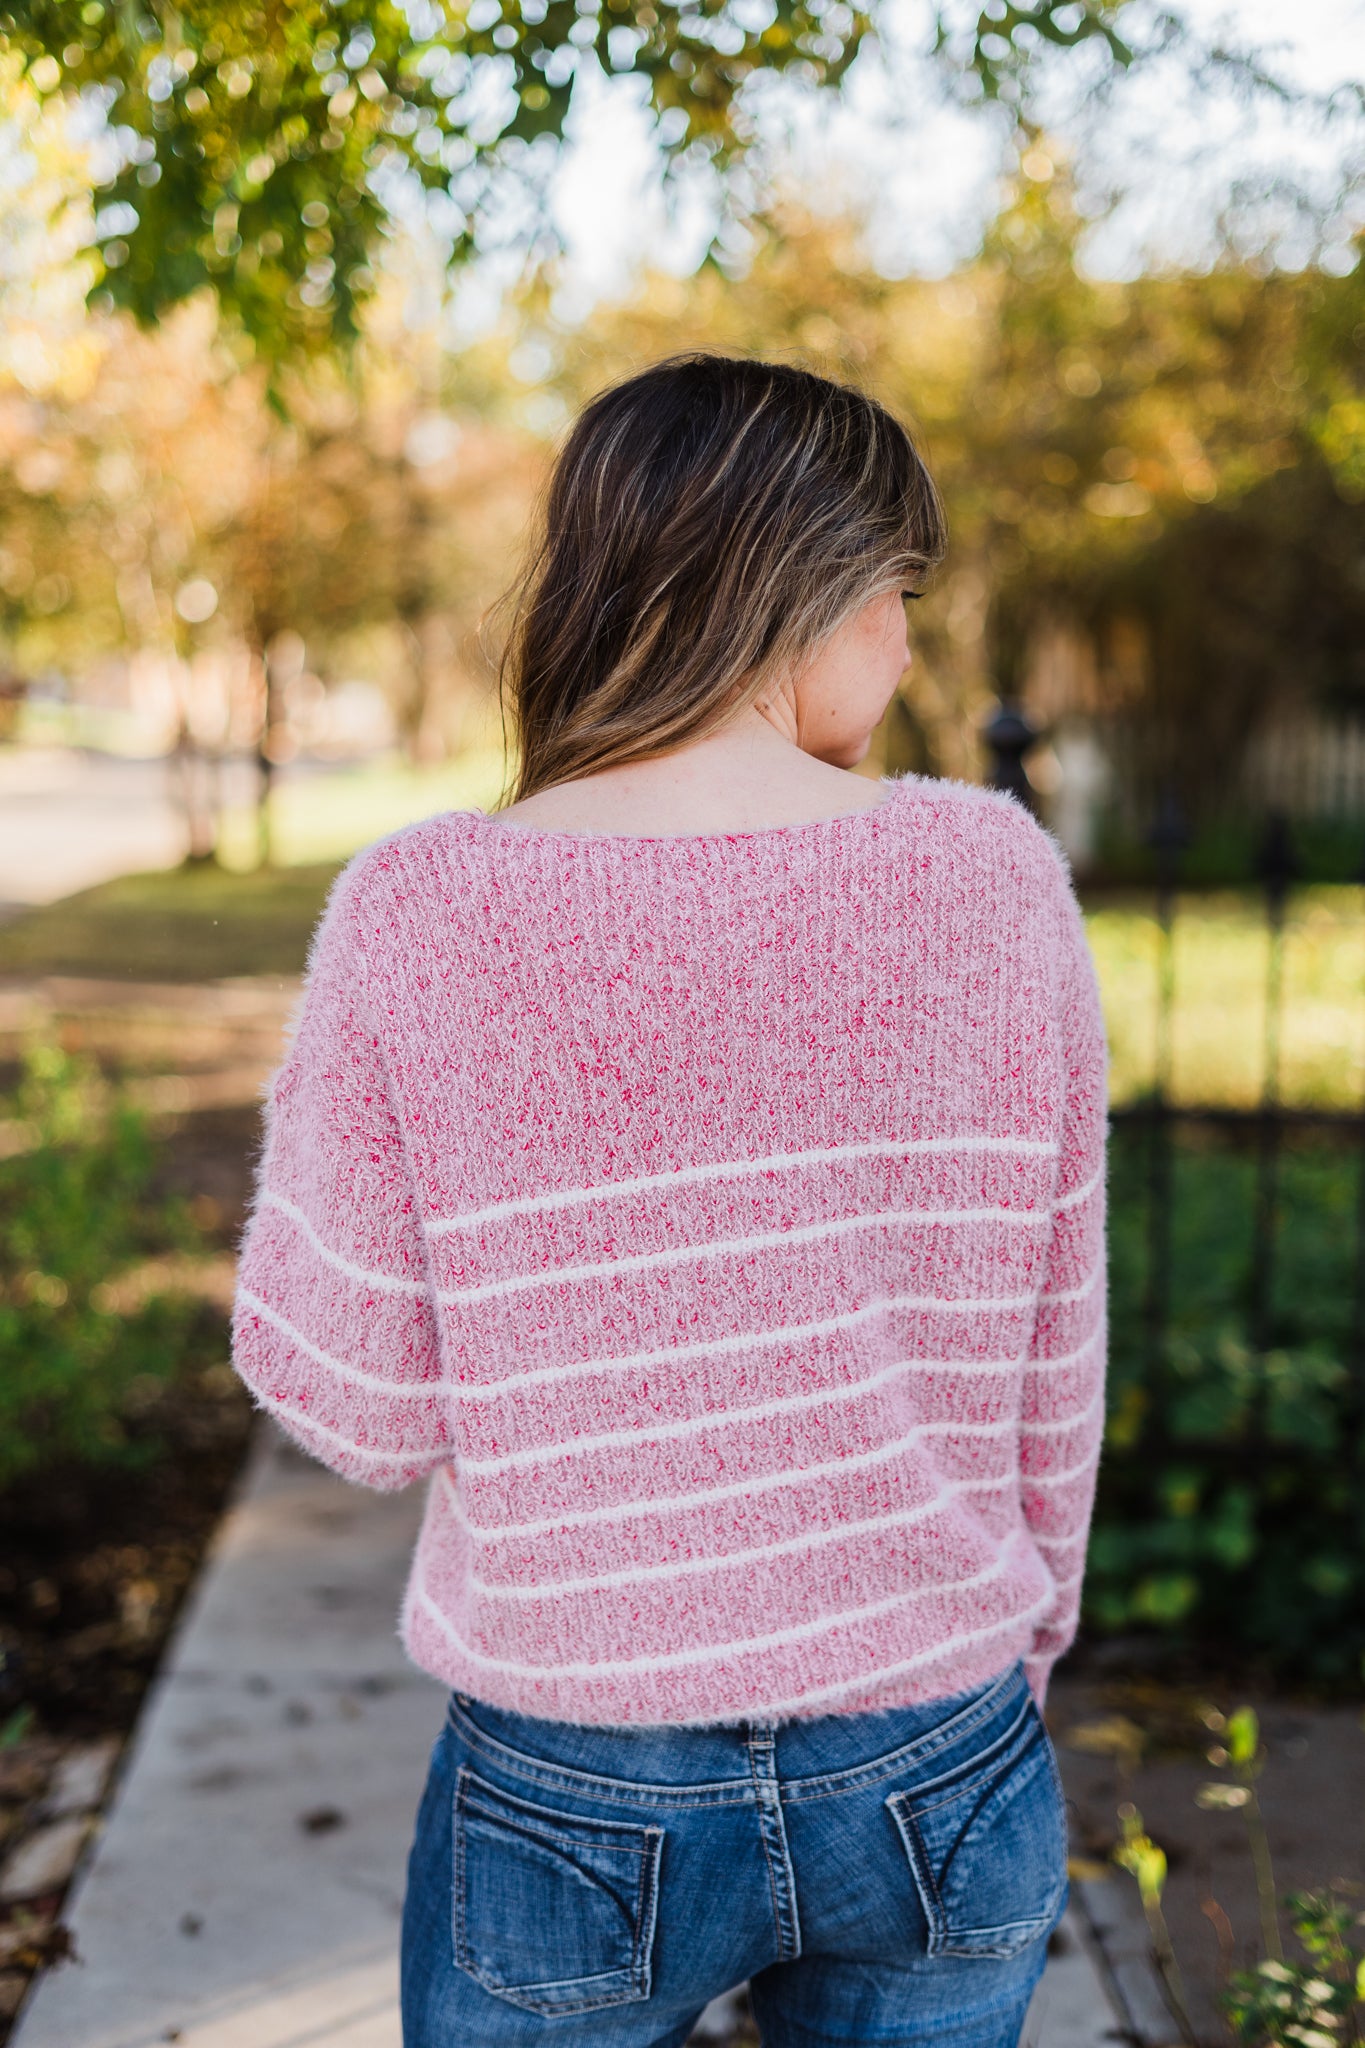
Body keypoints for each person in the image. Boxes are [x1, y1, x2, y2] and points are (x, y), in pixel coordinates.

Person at [231, 353, 1108, 2048]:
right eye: (895, 593)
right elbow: (1048, 1357)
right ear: (796, 590)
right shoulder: (994, 879)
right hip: (937, 1741)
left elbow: (361, 1404)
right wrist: (1019, 1655)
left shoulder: (422, 908)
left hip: (579, 1769)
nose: (909, 645)